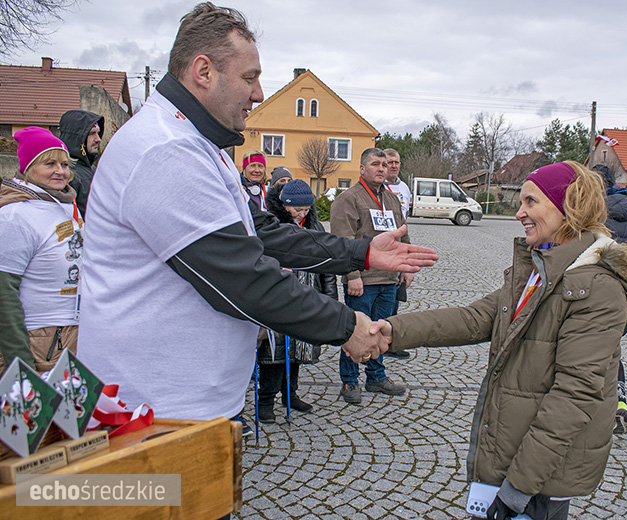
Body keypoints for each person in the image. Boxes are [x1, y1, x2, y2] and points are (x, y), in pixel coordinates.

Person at [76, 2, 437, 422]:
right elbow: (242, 278)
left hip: (181, 406)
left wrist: (362, 252)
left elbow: (263, 232)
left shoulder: (199, 145)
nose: (259, 94)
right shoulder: (166, 150)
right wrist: (346, 326)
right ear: (203, 71)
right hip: (150, 410)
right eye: (249, 78)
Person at [374, 161, 627, 520]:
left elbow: (574, 396)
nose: (519, 213)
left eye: (531, 202)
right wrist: (391, 331)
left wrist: (518, 488)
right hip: (514, 451)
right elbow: (473, 318)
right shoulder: (542, 269)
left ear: (568, 206)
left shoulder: (596, 288)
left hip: (540, 478)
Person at [0, 127, 83, 375]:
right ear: (28, 167)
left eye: (65, 164)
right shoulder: (15, 215)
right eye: (49, 164)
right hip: (39, 341)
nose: (60, 171)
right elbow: (3, 294)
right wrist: (21, 366)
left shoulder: (60, 204)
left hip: (70, 335)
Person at [330, 148, 410, 404]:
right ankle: (349, 380)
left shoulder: (391, 199)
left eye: (384, 164)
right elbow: (342, 240)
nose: (382, 168)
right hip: (362, 281)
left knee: (381, 331)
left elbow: (403, 233)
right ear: (362, 169)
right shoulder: (349, 199)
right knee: (355, 331)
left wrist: (406, 266)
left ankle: (376, 377)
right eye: (375, 164)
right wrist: (351, 274)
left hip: (388, 279)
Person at [255, 179, 338, 422]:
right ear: (284, 205)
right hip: (278, 299)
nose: (302, 214)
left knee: (297, 351)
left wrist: (329, 299)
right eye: (297, 209)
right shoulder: (273, 225)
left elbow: (327, 266)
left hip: (306, 295)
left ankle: (290, 394)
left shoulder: (314, 226)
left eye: (306, 209)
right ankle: (265, 400)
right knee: (275, 353)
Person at [593, 164, 627, 435]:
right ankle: (620, 401)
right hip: (623, 297)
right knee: (613, 351)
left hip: (595, 295)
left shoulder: (597, 216)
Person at [384, 148, 413, 359]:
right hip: (380, 251)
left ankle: (389, 343)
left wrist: (407, 261)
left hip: (398, 249)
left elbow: (405, 224)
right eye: (390, 162)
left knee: (394, 298)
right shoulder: (378, 187)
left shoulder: (404, 188)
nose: (394, 166)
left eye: (397, 162)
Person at [58, 110, 104, 218]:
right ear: (78, 137)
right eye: (92, 133)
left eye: (98, 133)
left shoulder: (92, 168)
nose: (98, 139)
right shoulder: (65, 174)